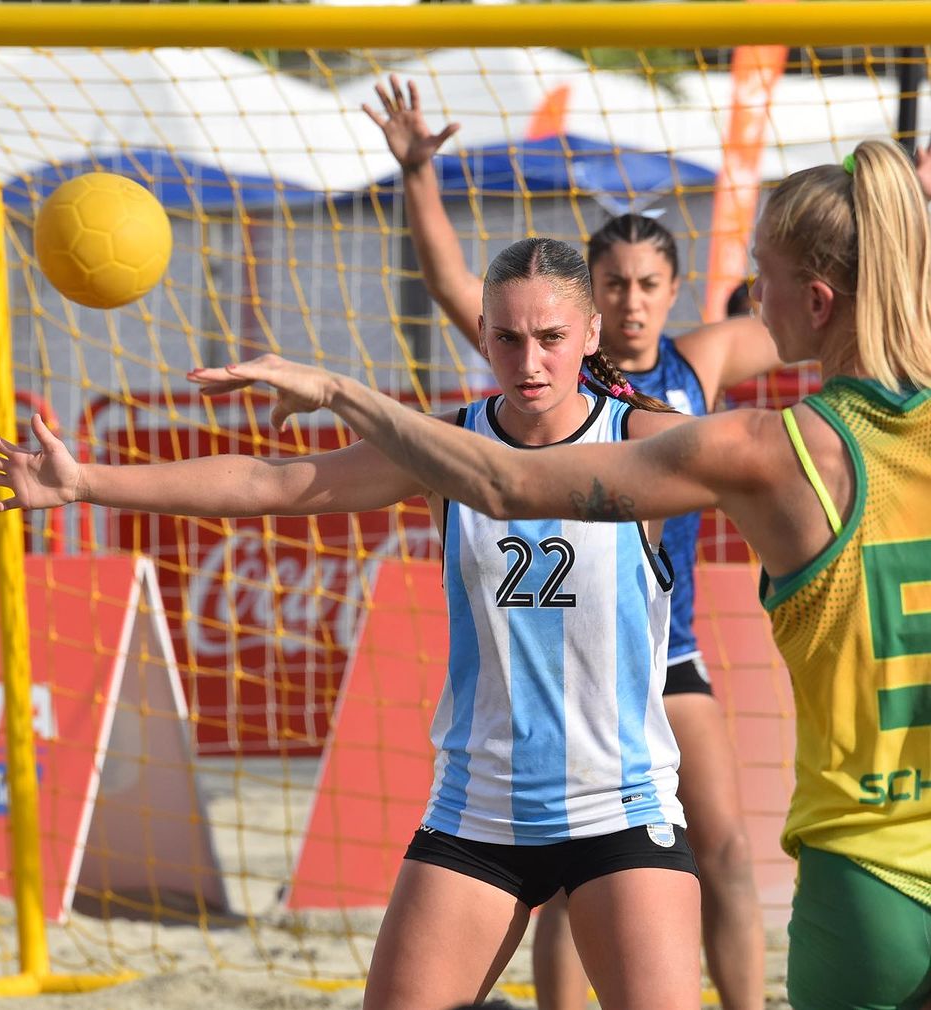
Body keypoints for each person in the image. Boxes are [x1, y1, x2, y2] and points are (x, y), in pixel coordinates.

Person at [188, 137, 931, 1010]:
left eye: (754, 278)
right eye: (614, 284)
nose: (744, 299)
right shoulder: (622, 417)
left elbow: (500, 484)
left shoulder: (742, 430)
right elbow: (286, 477)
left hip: (781, 807)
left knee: (720, 847)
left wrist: (344, 392)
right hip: (498, 791)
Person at [0, 238, 706, 1010]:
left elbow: (771, 456)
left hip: (620, 808)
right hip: (480, 810)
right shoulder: (444, 446)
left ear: (589, 336)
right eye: (508, 337)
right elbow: (272, 482)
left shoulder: (643, 442)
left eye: (551, 338)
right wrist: (85, 481)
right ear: (480, 333)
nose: (529, 362)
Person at [363, 74, 776, 1010]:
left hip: (661, 655)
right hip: (533, 710)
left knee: (718, 845)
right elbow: (457, 290)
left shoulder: (690, 372)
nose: (634, 304)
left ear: (671, 291)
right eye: (619, 284)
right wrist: (420, 181)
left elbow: (801, 328)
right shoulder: (520, 371)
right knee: (555, 875)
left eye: (649, 286)